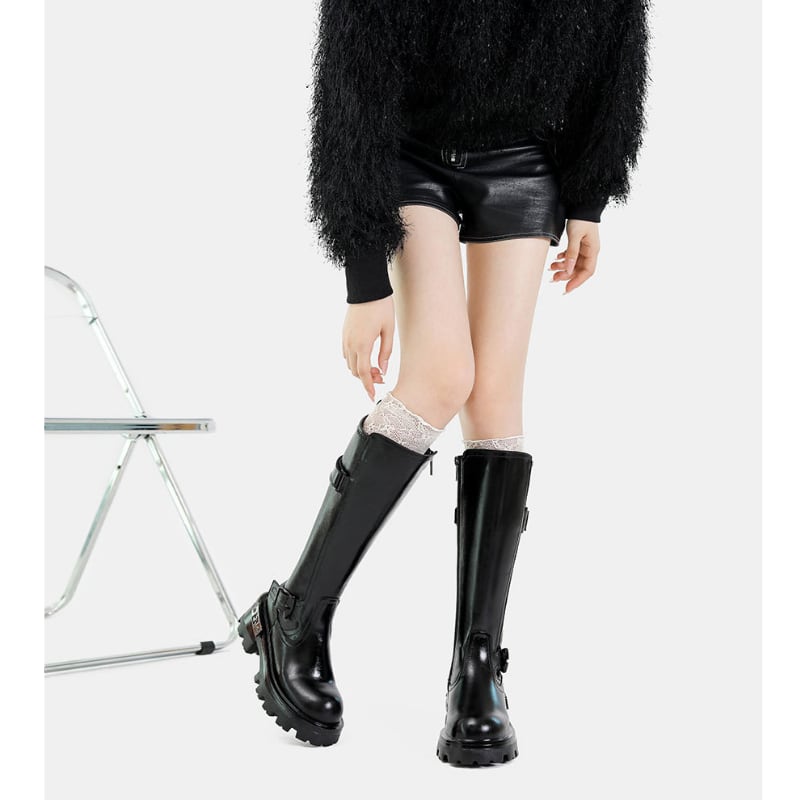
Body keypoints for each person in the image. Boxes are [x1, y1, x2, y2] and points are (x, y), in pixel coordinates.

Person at [238, 0, 652, 767]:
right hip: (407, 155)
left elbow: (613, 53)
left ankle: (476, 671)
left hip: (523, 158)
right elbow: (352, 86)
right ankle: (294, 613)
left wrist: (589, 198)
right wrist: (365, 281)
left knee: (494, 401)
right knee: (441, 376)